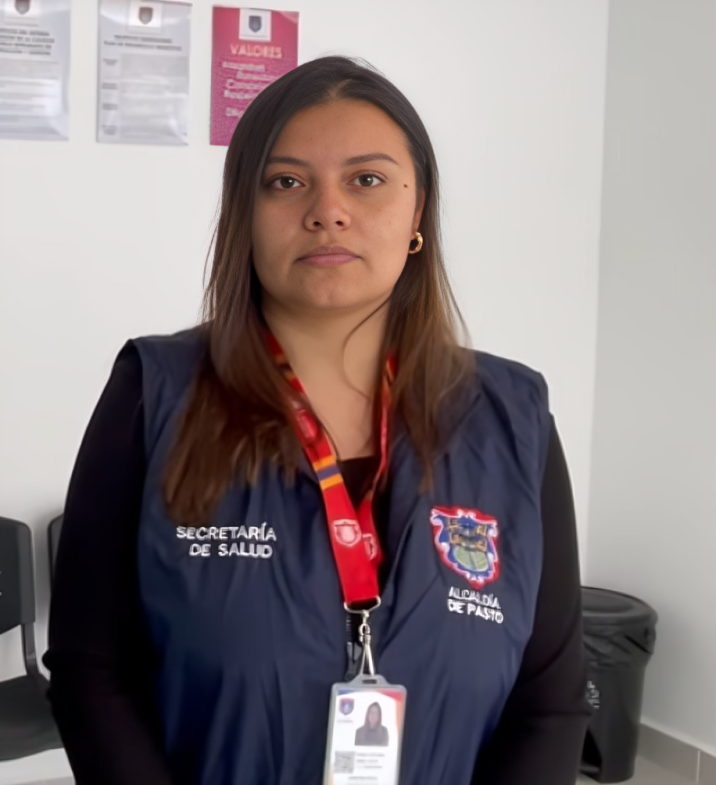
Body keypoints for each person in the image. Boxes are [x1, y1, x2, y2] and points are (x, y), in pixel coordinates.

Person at [45, 56, 591, 785]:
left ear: (418, 214)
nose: (327, 210)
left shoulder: (513, 417)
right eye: (285, 182)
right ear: (244, 214)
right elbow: (92, 670)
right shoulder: (154, 392)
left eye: (366, 180)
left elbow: (549, 704)